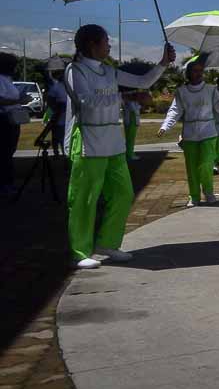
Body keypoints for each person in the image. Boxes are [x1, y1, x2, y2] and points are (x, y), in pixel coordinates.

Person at [65, 25, 174, 269]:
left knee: (123, 194)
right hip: (89, 141)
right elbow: (86, 101)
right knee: (84, 198)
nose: (109, 45)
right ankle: (79, 251)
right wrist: (127, 97)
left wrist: (163, 63)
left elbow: (143, 81)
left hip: (113, 142)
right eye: (106, 41)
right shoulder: (75, 70)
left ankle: (108, 243)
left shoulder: (109, 71)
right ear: (92, 44)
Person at [159, 59, 219, 206]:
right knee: (192, 166)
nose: (199, 74)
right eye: (195, 71)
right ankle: (194, 196)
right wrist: (165, 126)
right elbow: (175, 110)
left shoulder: (211, 89)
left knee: (206, 163)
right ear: (188, 73)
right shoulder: (182, 91)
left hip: (208, 132)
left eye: (201, 71)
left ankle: (208, 192)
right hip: (190, 134)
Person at [0, 52, 28, 196]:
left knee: (9, 152)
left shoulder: (7, 80)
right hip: (4, 121)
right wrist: (18, 101)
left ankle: (7, 183)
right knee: (4, 153)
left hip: (12, 121)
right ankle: (4, 184)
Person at [46, 65, 68, 157]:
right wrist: (57, 108)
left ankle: (65, 154)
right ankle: (57, 153)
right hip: (59, 116)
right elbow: (49, 100)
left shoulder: (68, 86)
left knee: (65, 137)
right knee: (57, 136)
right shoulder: (55, 87)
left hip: (67, 116)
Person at [121, 89, 143, 161]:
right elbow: (132, 108)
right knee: (130, 138)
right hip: (131, 118)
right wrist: (139, 105)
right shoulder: (128, 96)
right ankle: (130, 154)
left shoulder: (131, 96)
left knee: (131, 138)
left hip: (132, 118)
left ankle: (129, 153)